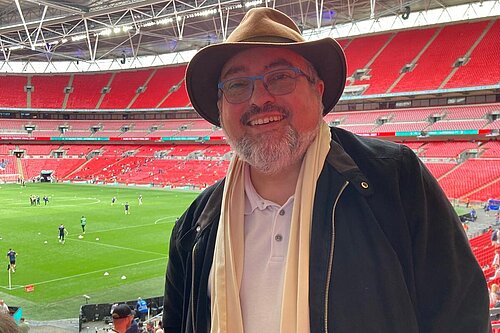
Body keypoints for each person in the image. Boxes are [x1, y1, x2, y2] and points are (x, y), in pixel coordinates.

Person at [162, 7, 489, 333]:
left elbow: (461, 317)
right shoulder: (195, 228)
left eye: (280, 77)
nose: (259, 99)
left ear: (317, 91)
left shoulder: (395, 180)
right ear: (221, 109)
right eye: (236, 86)